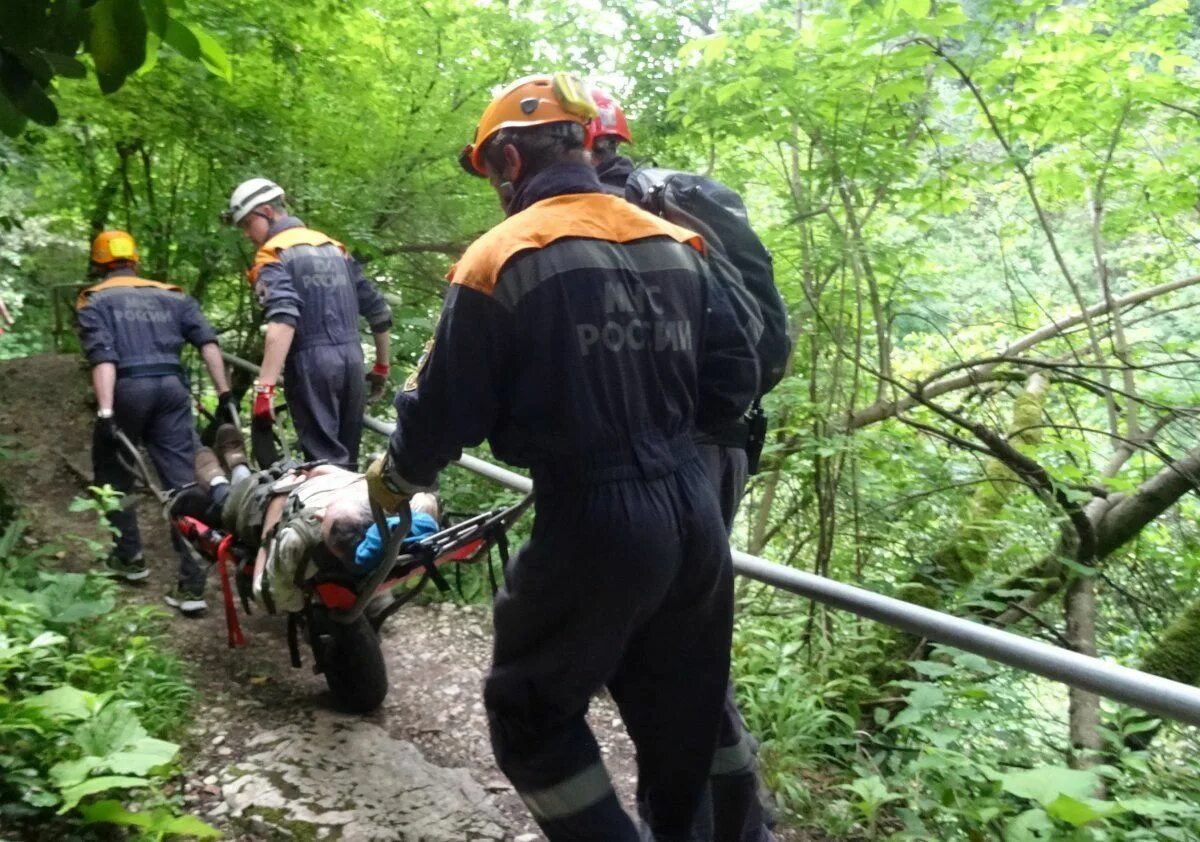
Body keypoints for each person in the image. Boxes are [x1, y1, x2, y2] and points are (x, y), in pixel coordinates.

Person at [366, 74, 759, 841]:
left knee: (530, 710)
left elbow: (445, 408)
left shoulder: (500, 257)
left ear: (510, 160)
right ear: (581, 143)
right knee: (683, 712)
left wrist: (396, 483)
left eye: (489, 172)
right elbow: (735, 377)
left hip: (594, 516)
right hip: (696, 508)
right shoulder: (677, 242)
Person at [586, 85, 781, 842]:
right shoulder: (679, 201)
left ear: (587, 142)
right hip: (723, 441)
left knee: (660, 648)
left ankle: (714, 823)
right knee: (679, 638)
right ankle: (726, 819)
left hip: (666, 453)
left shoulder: (612, 218)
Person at [76, 229, 235, 615]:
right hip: (170, 390)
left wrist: (107, 413)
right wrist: (226, 394)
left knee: (114, 474)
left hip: (127, 388)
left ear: (99, 264)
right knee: (181, 482)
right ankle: (192, 583)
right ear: (135, 260)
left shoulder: (93, 300)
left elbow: (104, 358)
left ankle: (130, 558)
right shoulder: (173, 296)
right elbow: (208, 344)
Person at [175, 425, 439, 614]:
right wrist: (318, 472)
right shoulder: (384, 501)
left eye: (324, 517)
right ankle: (237, 464)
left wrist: (273, 520)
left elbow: (266, 595)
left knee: (235, 496)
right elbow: (426, 501)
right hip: (305, 478)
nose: (321, 512)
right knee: (272, 475)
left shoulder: (299, 535)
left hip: (266, 499)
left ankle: (225, 473)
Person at [223, 178, 393, 469]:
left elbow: (284, 319)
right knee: (346, 464)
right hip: (352, 363)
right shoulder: (334, 248)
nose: (248, 235)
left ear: (267, 211)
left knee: (324, 465)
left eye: (248, 224)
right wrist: (381, 366)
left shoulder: (272, 254)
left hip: (312, 366)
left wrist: (264, 390)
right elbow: (378, 311)